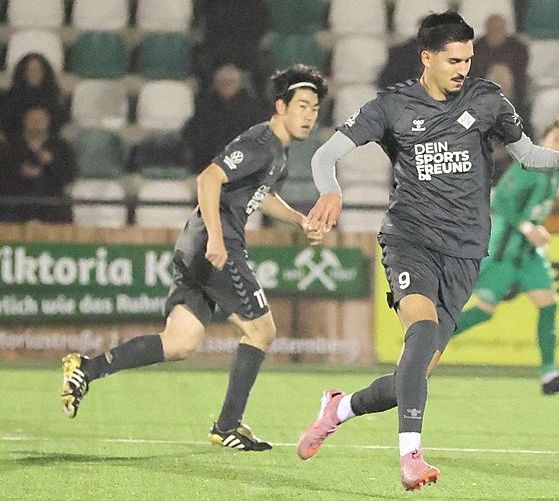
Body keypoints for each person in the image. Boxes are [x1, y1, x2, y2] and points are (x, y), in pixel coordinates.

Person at [298, 11, 559, 490]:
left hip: (465, 252)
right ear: (427, 57)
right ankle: (411, 457)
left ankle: (339, 408)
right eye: (453, 60)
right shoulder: (392, 106)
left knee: (411, 377)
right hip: (409, 240)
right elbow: (324, 154)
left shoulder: (487, 100)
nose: (463, 69)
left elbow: (526, 154)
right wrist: (330, 191)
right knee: (421, 331)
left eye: (468, 59)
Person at [59, 65, 328, 451]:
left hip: (195, 247)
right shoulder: (260, 142)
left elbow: (261, 194)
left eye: (314, 108)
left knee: (179, 342)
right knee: (262, 331)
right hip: (214, 246)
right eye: (302, 105)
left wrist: (300, 220)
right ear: (281, 106)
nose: (309, 115)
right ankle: (227, 426)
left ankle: (86, 368)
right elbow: (208, 179)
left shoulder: (277, 152)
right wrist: (217, 239)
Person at [453, 117, 559, 394]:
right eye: (556, 139)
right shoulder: (529, 166)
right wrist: (526, 227)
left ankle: (550, 376)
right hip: (505, 251)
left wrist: (536, 229)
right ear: (543, 141)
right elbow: (499, 199)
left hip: (528, 254)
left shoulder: (557, 172)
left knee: (549, 305)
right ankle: (426, 341)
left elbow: (532, 209)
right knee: (484, 312)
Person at [196, 0, 271, 90]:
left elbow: (260, 30)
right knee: (200, 60)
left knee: (264, 63)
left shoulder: (257, 2)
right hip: (217, 52)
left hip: (246, 52)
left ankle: (259, 100)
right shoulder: (211, 0)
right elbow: (208, 30)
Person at [183, 64, 267, 174]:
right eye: (222, 83)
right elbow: (194, 137)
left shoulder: (254, 109)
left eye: (230, 83)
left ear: (240, 84)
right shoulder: (204, 109)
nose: (226, 86)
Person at [4, 107, 76, 223]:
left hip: (50, 202)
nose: (36, 124)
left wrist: (52, 163)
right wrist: (20, 172)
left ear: (48, 122)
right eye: (33, 120)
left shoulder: (61, 147)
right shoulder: (10, 147)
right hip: (17, 202)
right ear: (25, 121)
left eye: (40, 120)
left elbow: (69, 176)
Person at [0, 53, 67, 141]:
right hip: (15, 142)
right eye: (30, 70)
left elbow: (59, 122)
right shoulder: (10, 98)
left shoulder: (53, 97)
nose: (34, 73)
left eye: (38, 70)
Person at [471, 14, 529, 116]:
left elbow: (520, 72)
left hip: (514, 93)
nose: (496, 33)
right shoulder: (477, 48)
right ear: (487, 30)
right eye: (493, 29)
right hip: (482, 94)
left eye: (499, 29)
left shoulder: (518, 48)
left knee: (501, 72)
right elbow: (474, 72)